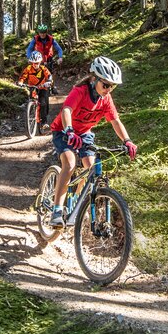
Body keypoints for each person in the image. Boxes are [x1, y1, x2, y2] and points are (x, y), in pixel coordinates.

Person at [48, 56, 137, 227]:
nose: (109, 89)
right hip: (64, 130)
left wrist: (127, 140)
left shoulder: (106, 99)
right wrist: (69, 130)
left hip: (84, 133)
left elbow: (115, 121)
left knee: (91, 167)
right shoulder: (80, 91)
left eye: (112, 86)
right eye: (106, 85)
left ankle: (77, 201)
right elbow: (66, 110)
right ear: (94, 79)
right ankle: (57, 209)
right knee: (70, 163)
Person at [17, 51, 53, 132]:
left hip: (43, 88)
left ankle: (44, 122)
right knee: (31, 101)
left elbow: (49, 76)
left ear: (40, 62)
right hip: (32, 87)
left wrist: (49, 82)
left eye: (37, 63)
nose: (35, 64)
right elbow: (23, 76)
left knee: (43, 103)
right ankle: (30, 115)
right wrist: (21, 82)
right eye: (33, 63)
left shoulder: (43, 68)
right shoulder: (28, 68)